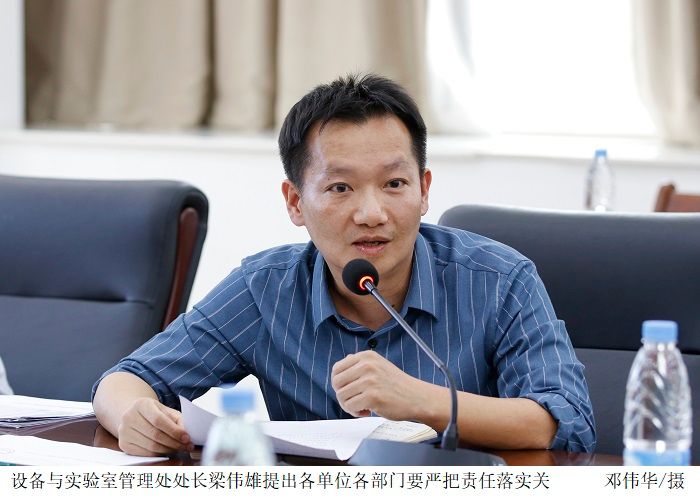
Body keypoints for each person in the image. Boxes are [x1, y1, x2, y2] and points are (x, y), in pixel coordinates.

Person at [93, 74, 595, 456]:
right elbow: (124, 380)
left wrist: (421, 400)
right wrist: (135, 415)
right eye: (340, 187)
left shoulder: (499, 280)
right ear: (295, 202)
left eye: (394, 184)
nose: (371, 213)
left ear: (424, 191)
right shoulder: (264, 289)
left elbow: (566, 420)